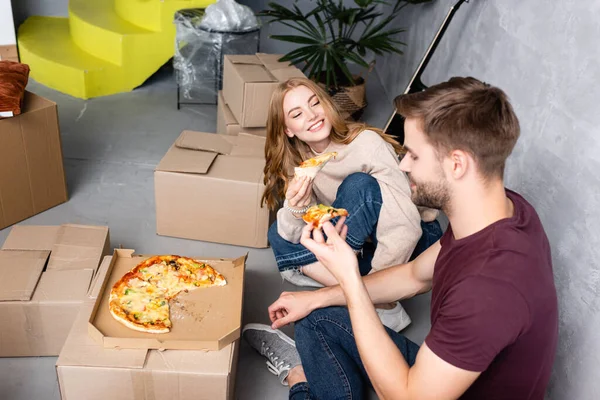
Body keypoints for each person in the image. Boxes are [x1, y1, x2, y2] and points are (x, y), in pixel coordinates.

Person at [243, 77, 558, 399]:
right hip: (446, 377)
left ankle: (300, 381)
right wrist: (316, 297)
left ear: (457, 164)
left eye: (414, 156)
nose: (403, 164)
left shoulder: (488, 290)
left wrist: (350, 278)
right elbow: (413, 275)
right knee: (315, 318)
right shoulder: (501, 211)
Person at [262, 77, 441, 331]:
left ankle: (380, 304)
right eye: (297, 114)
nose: (312, 116)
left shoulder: (366, 145)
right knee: (279, 229)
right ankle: (356, 290)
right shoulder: (300, 163)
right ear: (288, 129)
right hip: (362, 244)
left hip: (413, 242)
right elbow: (295, 232)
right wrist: (296, 206)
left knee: (358, 185)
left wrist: (382, 290)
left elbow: (405, 225)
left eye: (315, 103)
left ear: (326, 104)